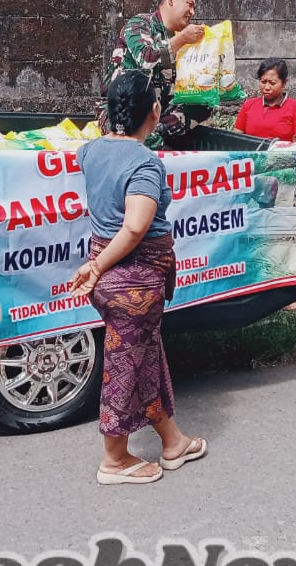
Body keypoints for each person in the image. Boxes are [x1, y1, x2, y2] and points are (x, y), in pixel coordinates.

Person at [70, 70, 208, 485]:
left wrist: (98, 266)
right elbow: (133, 228)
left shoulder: (90, 150)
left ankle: (173, 441)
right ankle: (114, 460)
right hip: (131, 280)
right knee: (125, 363)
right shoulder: (145, 164)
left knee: (145, 354)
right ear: (155, 111)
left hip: (111, 277)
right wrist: (98, 267)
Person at [100, 0, 208, 149]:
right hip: (123, 111)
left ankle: (155, 131)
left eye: (194, 8)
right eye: (190, 5)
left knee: (202, 105)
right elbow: (147, 57)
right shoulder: (140, 24)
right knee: (138, 139)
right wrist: (182, 39)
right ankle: (152, 139)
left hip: (158, 113)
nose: (192, 12)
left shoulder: (182, 39)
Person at [234, 58, 296, 144]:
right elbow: (235, 139)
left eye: (272, 83)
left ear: (284, 83)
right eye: (263, 82)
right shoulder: (249, 105)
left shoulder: (295, 107)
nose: (267, 87)